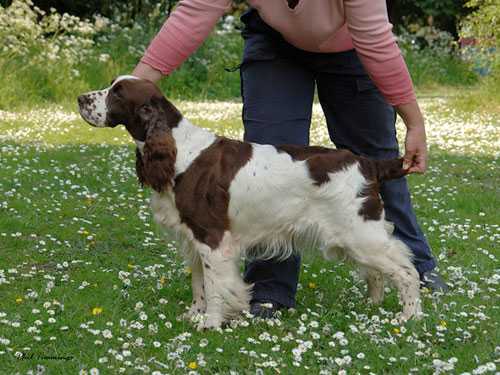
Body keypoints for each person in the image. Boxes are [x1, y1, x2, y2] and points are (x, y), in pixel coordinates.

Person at [133, 0, 448, 318]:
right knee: (263, 174)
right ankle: (269, 289)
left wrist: (414, 123)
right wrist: (132, 90)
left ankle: (416, 267)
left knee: (376, 159)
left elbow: (376, 38)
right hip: (274, 42)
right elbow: (193, 13)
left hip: (353, 43)